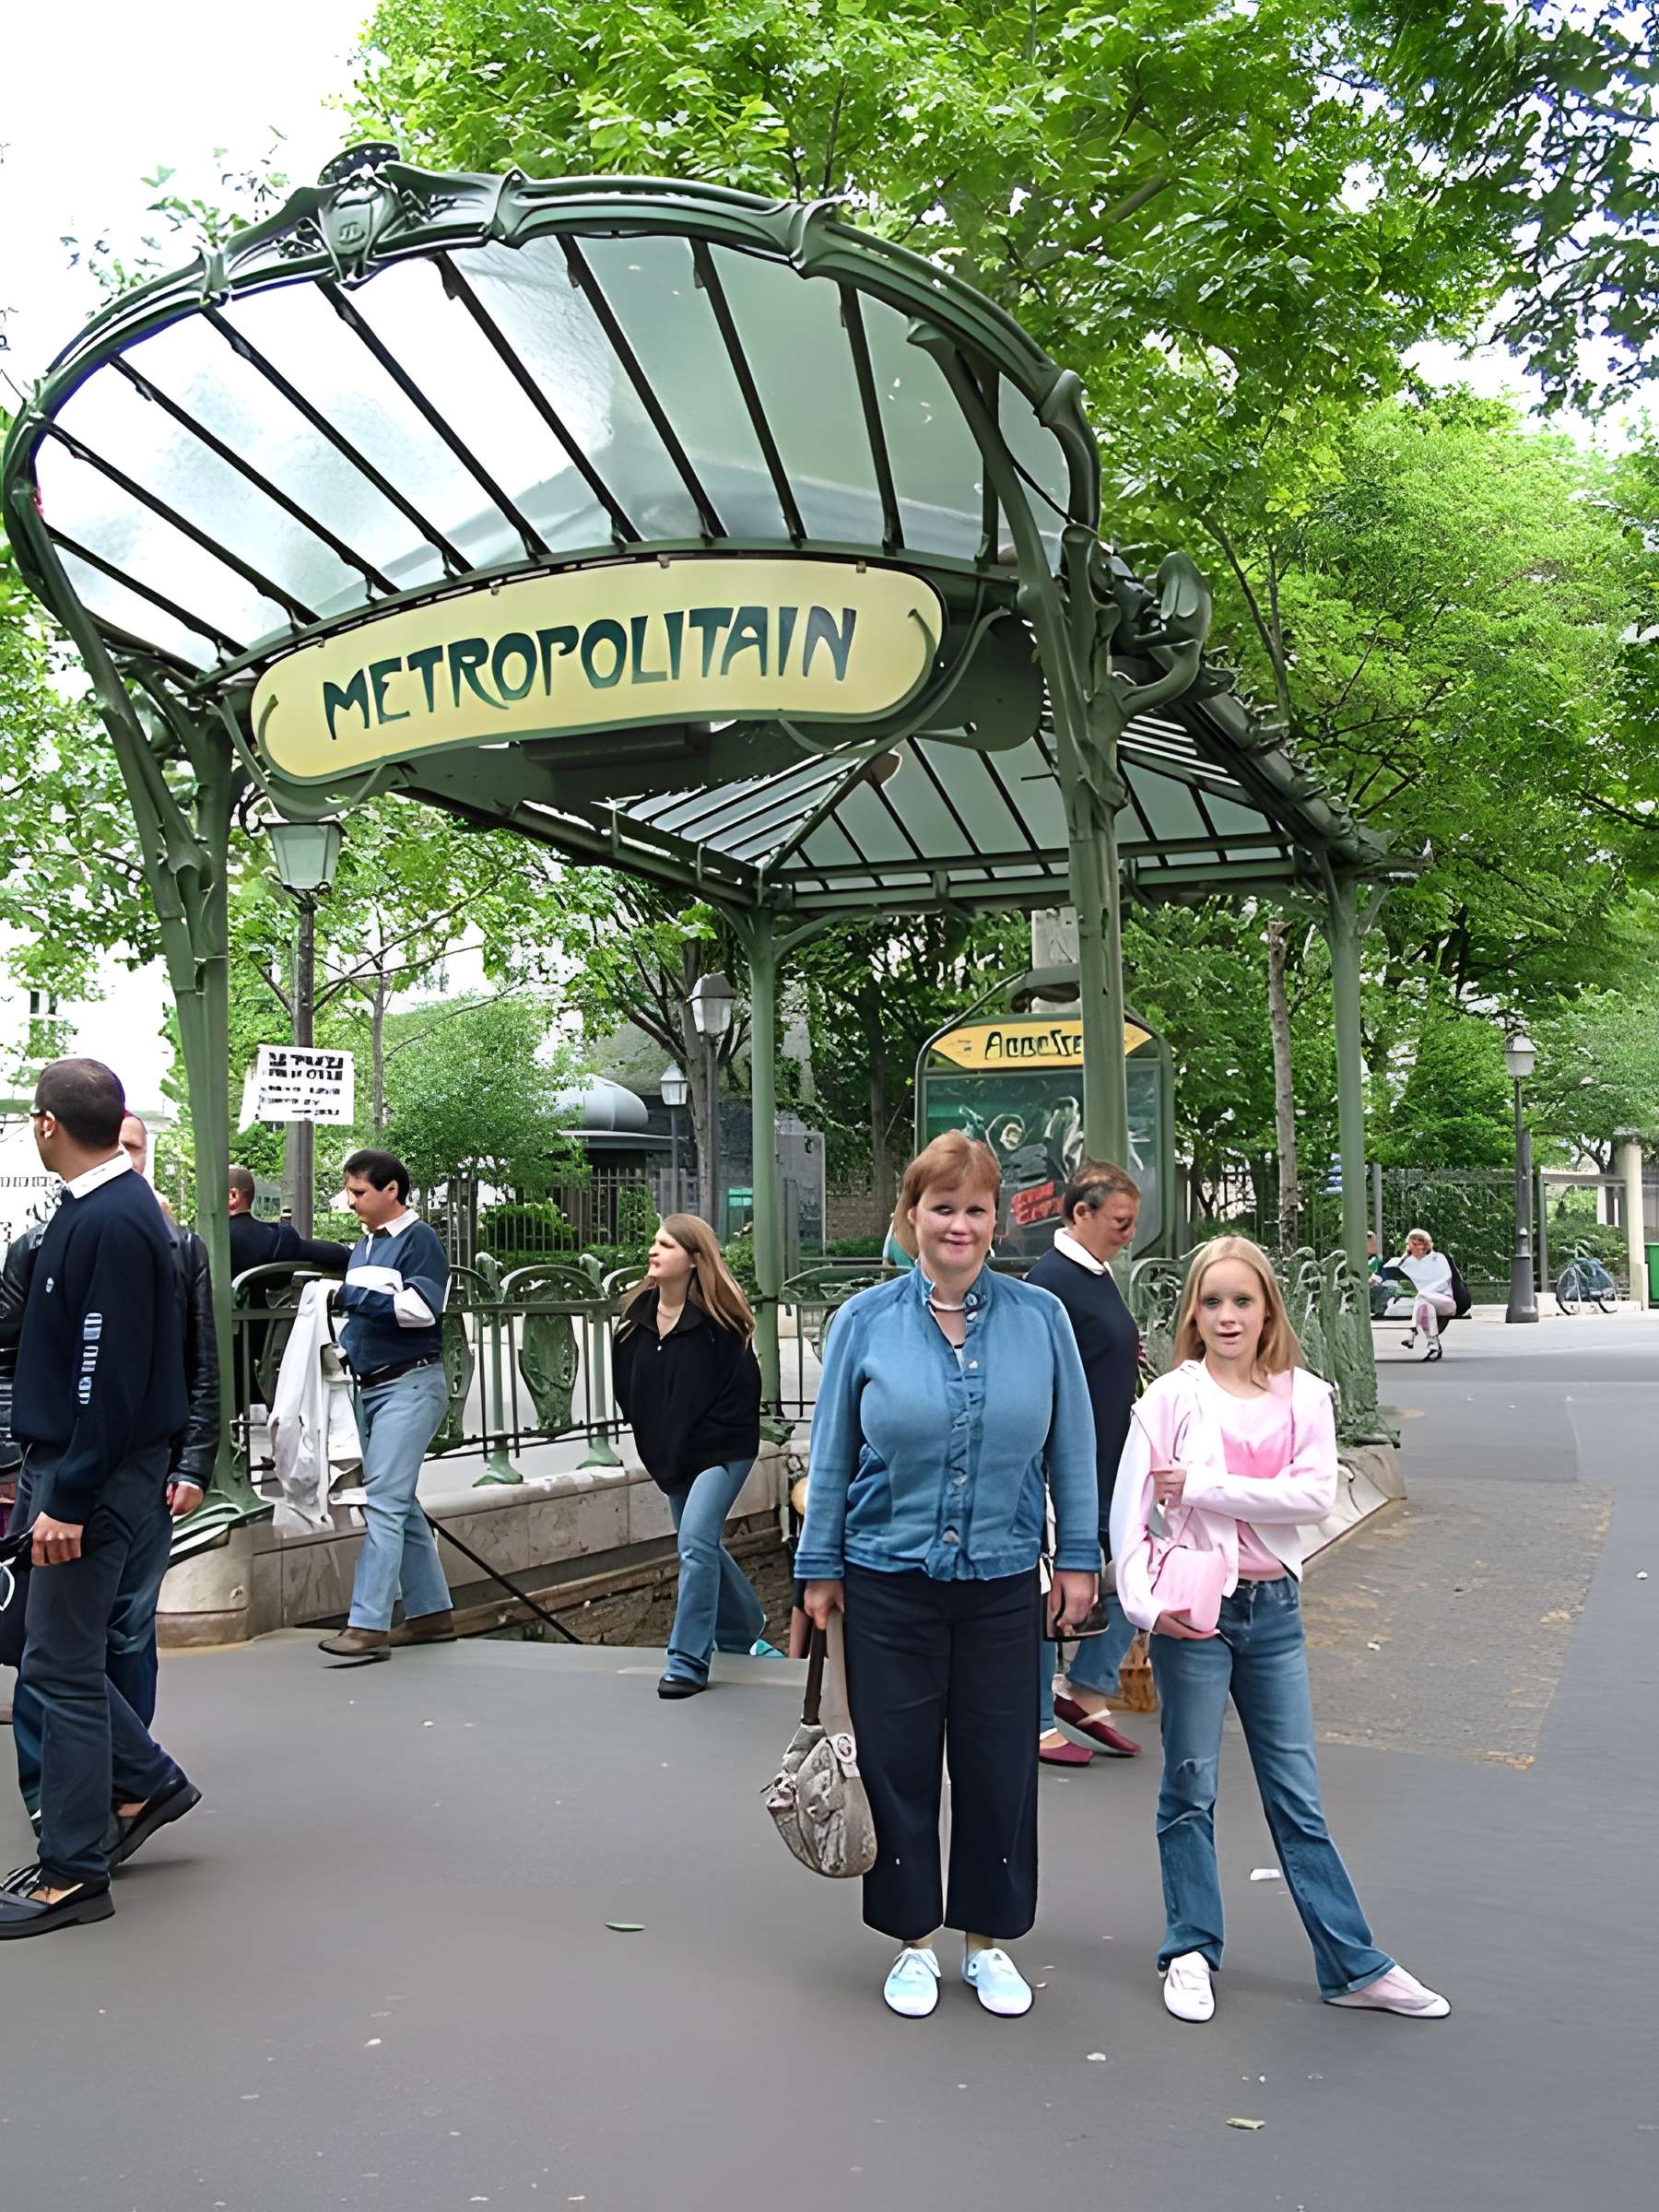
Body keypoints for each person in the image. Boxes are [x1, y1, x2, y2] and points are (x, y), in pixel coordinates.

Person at [796, 1131, 1100, 2021]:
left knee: (1000, 1762)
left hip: (1005, 1580)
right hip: (886, 1578)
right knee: (896, 1766)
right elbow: (834, 1453)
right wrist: (819, 1567)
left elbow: (1073, 1447)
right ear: (911, 1217)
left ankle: (988, 1940)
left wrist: (1079, 1556)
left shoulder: (1041, 1320)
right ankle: (913, 1941)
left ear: (995, 1220)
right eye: (941, 1207)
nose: (958, 1224)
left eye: (974, 1208)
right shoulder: (864, 1323)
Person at [1111, 1235, 1449, 2024]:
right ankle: (1189, 1948)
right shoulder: (1169, 1399)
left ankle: (1353, 1963)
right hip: (1194, 1617)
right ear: (1192, 1310)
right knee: (1188, 1789)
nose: (1227, 1316)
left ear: (1269, 1309)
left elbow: (1310, 1498)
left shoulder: (1305, 1395)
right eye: (1212, 1301)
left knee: (1298, 1799)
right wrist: (1144, 1607)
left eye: (1243, 1300)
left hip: (1276, 1615)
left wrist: (1203, 1484)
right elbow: (1127, 1515)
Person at [0, 1060, 199, 1941]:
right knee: (51, 1657)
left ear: (47, 1124)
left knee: (64, 1670)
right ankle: (146, 1782)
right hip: (79, 1469)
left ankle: (75, 1871)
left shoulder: (109, 1222)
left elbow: (103, 1374)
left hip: (86, 1478)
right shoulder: (104, 1215)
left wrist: (68, 1497)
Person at [611, 1215, 766, 1698]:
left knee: (696, 1543)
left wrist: (701, 1441)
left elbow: (742, 1398)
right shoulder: (633, 1324)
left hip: (722, 1452)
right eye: (654, 1243)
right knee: (701, 1547)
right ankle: (745, 1627)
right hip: (671, 1457)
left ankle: (687, 1662)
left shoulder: (721, 1326)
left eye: (666, 1245)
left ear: (694, 1260)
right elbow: (628, 1394)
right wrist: (658, 1445)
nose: (653, 1251)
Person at [1025, 1160, 1144, 1767]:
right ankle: (1042, 1712)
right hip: (1070, 1459)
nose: (1128, 1235)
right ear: (1081, 1213)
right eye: (1120, 1223)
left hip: (1106, 1458)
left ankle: (1080, 1689)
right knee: (1052, 1582)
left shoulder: (1088, 1274)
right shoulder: (1053, 1282)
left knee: (1133, 1570)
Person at [316, 1149, 453, 1665]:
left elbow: (423, 1310)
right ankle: (430, 1613)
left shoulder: (420, 1240)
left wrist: (348, 1297)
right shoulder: (368, 1243)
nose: (351, 1202)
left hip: (410, 1385)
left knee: (384, 1503)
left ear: (391, 1190)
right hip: (374, 1384)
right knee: (400, 1502)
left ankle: (368, 1624)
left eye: (359, 1192)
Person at [227, 1164, 351, 1412]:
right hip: (275, 1362)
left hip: (221, 1366)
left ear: (233, 1196)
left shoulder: (206, 1241)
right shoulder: (274, 1239)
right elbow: (337, 1254)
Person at [1394, 1228, 1455, 1360]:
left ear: (1425, 1244)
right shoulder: (1407, 1262)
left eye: (1418, 1244)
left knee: (1422, 1295)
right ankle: (1434, 1346)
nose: (1415, 1247)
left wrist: (1426, 1291)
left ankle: (1412, 1331)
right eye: (1412, 1244)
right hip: (1422, 1301)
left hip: (1444, 1300)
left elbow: (1446, 1278)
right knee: (1426, 1306)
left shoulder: (1437, 1257)